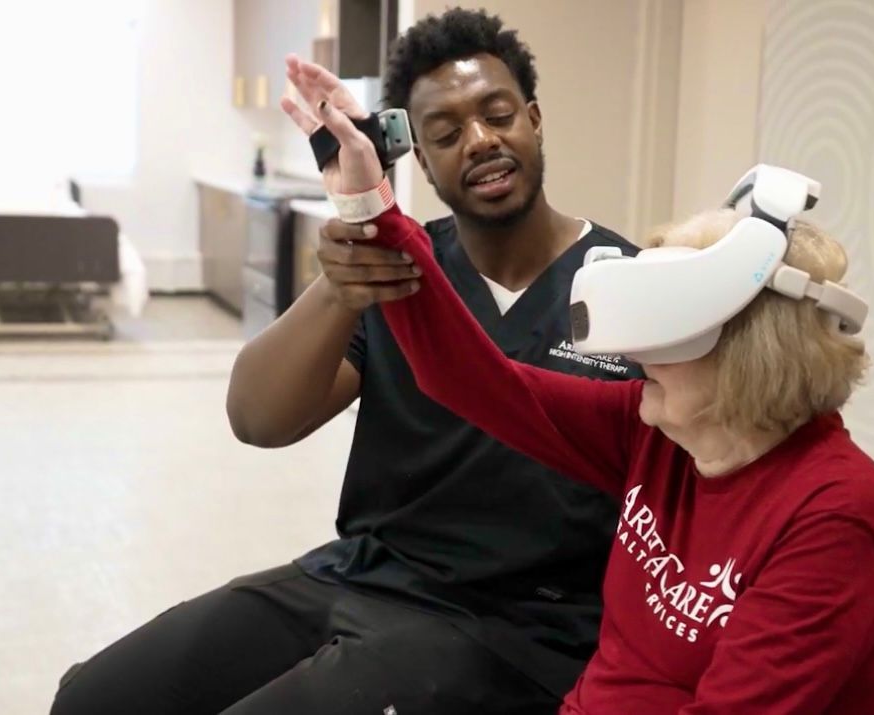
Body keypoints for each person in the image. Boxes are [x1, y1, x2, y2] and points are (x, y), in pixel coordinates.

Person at [280, 55, 874, 714]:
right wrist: (368, 204)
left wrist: (854, 573)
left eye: (664, 336)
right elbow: (468, 380)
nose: (635, 358)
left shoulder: (830, 517)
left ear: (749, 358)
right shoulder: (659, 436)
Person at [51, 9, 644, 715]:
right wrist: (340, 282)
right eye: (447, 133)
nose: (480, 141)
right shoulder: (399, 271)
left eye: (497, 114)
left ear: (535, 119)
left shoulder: (626, 287)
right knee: (94, 697)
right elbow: (258, 418)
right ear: (420, 158)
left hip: (515, 625)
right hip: (362, 574)